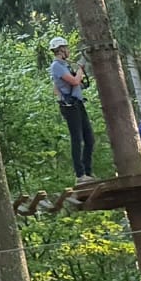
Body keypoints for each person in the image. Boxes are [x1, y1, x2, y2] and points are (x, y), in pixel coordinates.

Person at [49, 37, 97, 183]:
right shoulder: (56, 66)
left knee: (89, 139)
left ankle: (87, 172)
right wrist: (80, 70)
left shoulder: (64, 65)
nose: (68, 51)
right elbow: (75, 81)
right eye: (66, 48)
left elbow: (65, 85)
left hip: (77, 103)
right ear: (61, 50)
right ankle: (80, 174)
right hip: (70, 107)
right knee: (77, 138)